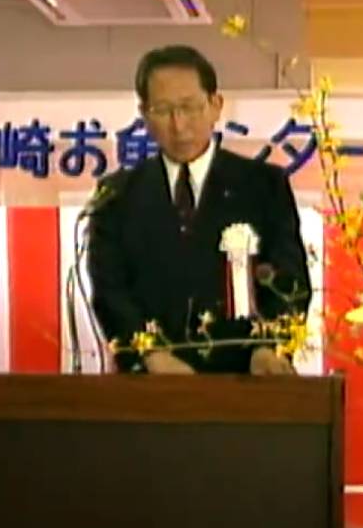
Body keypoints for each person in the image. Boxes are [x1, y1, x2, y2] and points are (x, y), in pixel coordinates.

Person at [86, 45, 311, 375]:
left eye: (189, 107)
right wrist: (149, 356)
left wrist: (269, 348)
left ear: (216, 105)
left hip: (246, 379)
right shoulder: (117, 195)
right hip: (150, 383)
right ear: (144, 113)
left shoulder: (263, 186)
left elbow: (289, 279)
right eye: (163, 110)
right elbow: (110, 291)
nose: (179, 125)